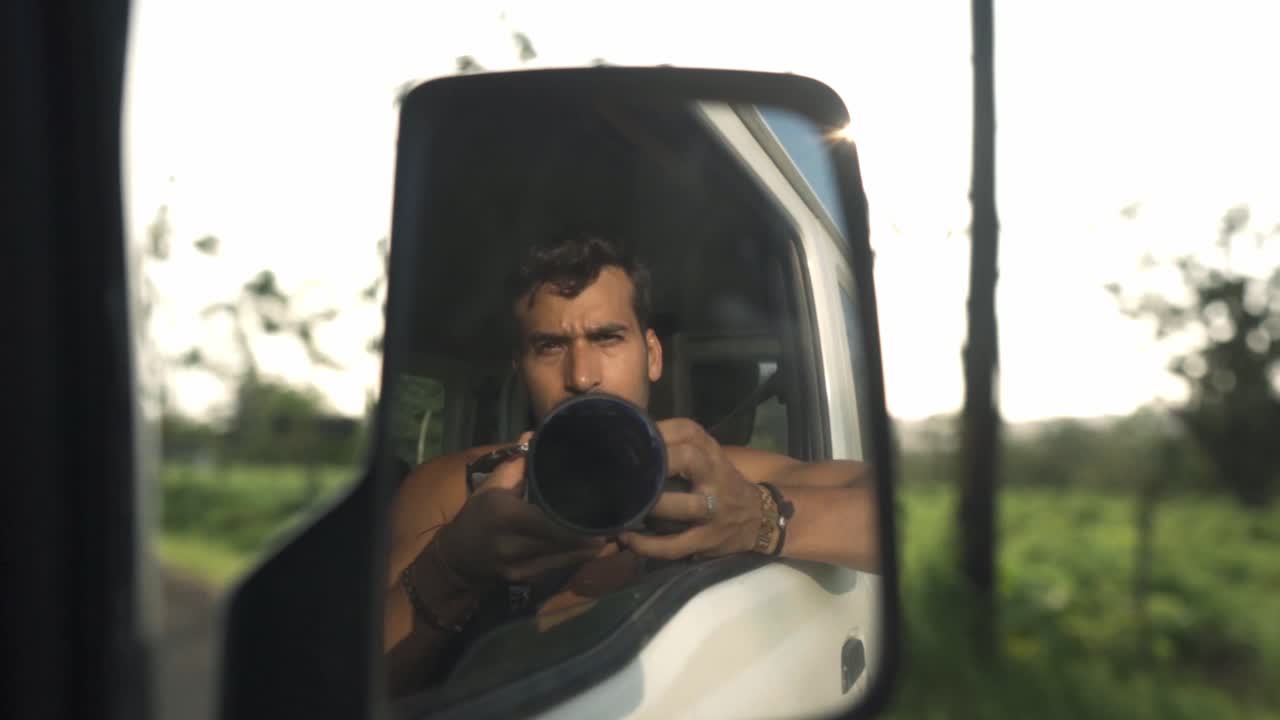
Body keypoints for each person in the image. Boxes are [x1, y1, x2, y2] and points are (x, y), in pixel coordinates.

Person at [383, 232, 879, 694]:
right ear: (521, 370)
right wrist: (453, 567)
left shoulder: (702, 478)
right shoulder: (460, 489)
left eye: (607, 338)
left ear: (653, 355)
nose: (581, 377)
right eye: (550, 346)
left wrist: (759, 516)